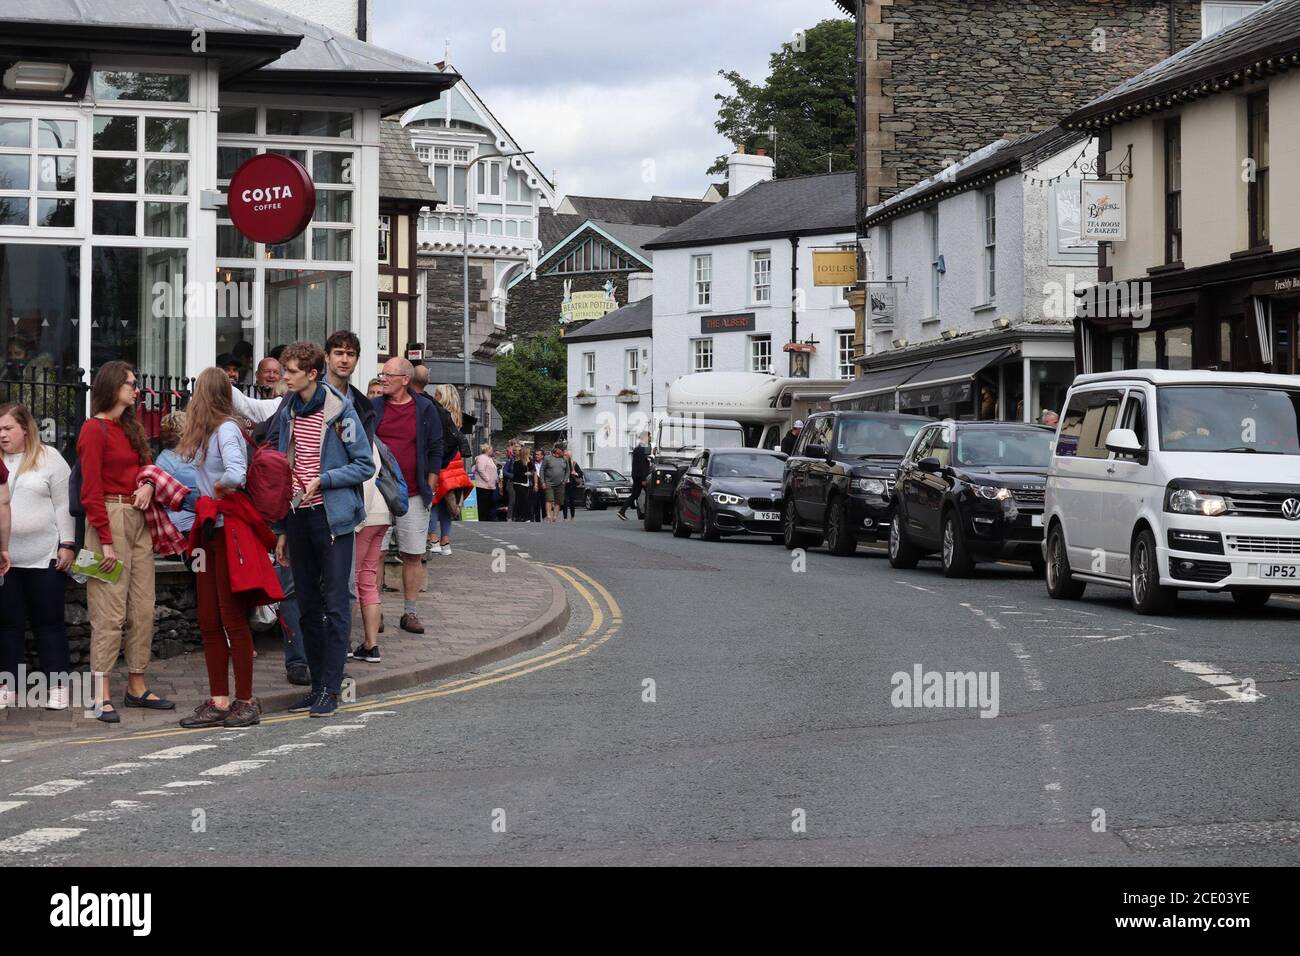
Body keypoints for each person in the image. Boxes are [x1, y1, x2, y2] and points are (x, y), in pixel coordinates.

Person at [274, 342, 373, 718]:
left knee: (334, 604)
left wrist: (326, 478)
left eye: (292, 371)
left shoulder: (340, 413)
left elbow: (365, 465)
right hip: (298, 518)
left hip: (332, 520)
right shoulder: (289, 411)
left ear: (311, 374)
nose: (285, 376)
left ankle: (332, 689)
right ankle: (316, 686)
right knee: (306, 606)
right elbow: (286, 469)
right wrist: (281, 527)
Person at [78, 361, 175, 723]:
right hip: (108, 519)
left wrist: (149, 485)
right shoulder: (93, 430)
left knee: (143, 608)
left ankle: (136, 685)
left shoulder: (131, 427)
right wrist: (104, 541)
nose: (135, 389)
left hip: (138, 519)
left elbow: (146, 470)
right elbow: (89, 493)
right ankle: (100, 693)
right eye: (130, 384)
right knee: (109, 612)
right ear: (112, 385)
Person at [174, 368, 265, 729]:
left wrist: (213, 495)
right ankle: (219, 699)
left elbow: (237, 473)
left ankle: (245, 700)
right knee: (209, 619)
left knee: (231, 618)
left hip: (227, 532)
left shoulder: (226, 429)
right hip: (211, 531)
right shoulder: (210, 432)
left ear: (204, 395)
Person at [0, 402, 75, 711]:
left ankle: (57, 685)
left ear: (25, 429)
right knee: (7, 624)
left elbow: (63, 504)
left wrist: (67, 543)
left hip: (44, 556)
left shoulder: (49, 458)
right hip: (6, 561)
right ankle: (9, 685)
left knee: (49, 623)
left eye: (7, 428)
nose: (2, 435)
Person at [371, 357, 440, 634]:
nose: (383, 379)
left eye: (389, 375)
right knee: (375, 553)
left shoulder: (424, 408)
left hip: (413, 493)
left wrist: (431, 483)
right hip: (377, 492)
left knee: (413, 554)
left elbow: (436, 447)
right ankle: (374, 612)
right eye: (382, 374)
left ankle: (410, 613)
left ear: (405, 380)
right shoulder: (373, 407)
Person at [351, 434, 396, 664]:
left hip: (366, 517)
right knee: (367, 579)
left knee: (351, 580)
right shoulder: (374, 437)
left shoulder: (358, 435)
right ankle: (370, 645)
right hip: (383, 513)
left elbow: (366, 478)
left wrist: (357, 522)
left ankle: (344, 643)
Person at [429, 384, 471, 554]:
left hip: (443, 459)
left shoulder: (438, 414)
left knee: (435, 501)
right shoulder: (458, 416)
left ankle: (433, 538)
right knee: (449, 501)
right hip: (456, 461)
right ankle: (446, 540)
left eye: (437, 394)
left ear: (443, 396)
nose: (435, 396)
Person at [154, 412, 200, 538]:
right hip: (185, 527)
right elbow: (197, 499)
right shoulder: (178, 464)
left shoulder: (167, 457)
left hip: (179, 523)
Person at [618, 431, 652, 521]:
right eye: (649, 437)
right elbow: (642, 466)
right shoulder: (641, 450)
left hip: (636, 476)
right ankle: (648, 514)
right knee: (650, 494)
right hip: (640, 477)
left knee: (635, 495)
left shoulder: (639, 448)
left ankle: (622, 511)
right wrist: (644, 479)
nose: (650, 439)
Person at [542, 443, 569, 524]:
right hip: (549, 482)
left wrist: (565, 480)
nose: (564, 451)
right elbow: (542, 470)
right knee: (549, 499)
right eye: (562, 450)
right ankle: (548, 516)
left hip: (560, 483)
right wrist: (542, 482)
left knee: (558, 501)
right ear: (557, 449)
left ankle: (555, 517)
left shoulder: (564, 459)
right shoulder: (547, 458)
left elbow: (567, 471)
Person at [473, 442, 498, 522]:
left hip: (490, 486)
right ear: (487, 449)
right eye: (491, 449)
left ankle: (487, 519)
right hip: (483, 486)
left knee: (488, 504)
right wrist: (487, 479)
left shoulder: (489, 458)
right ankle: (482, 519)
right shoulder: (482, 458)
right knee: (482, 504)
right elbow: (480, 469)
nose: (492, 451)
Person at [563, 449, 583, 520]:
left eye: (566, 455)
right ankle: (565, 517)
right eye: (564, 455)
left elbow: (581, 473)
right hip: (564, 485)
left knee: (572, 501)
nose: (565, 456)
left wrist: (576, 473)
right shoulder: (562, 463)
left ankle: (572, 516)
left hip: (572, 485)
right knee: (564, 501)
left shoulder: (573, 463)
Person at [530, 448, 546, 522]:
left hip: (544, 483)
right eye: (535, 454)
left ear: (542, 456)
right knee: (536, 502)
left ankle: (545, 517)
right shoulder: (532, 463)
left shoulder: (545, 463)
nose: (536, 456)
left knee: (544, 502)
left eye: (538, 454)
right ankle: (537, 519)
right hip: (535, 483)